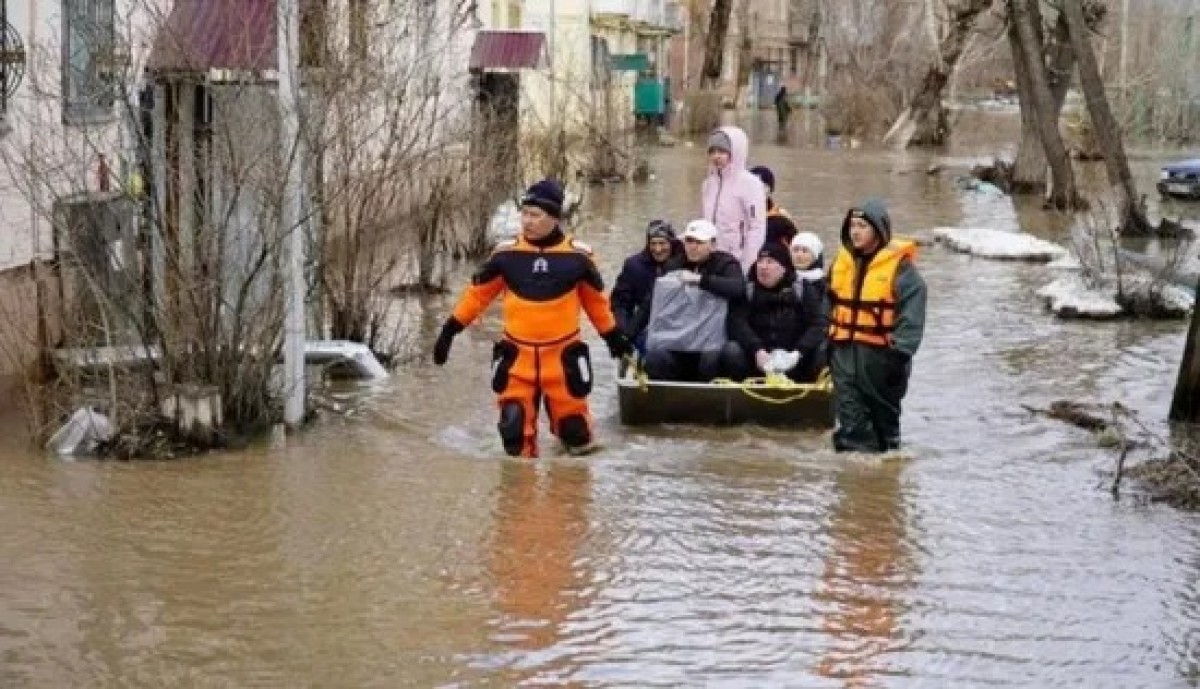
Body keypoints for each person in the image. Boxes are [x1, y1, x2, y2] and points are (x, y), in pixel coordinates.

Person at [432, 179, 634, 458]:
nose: (527, 221)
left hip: (562, 357)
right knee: (513, 431)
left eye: (535, 215)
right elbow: (477, 296)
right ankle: (518, 497)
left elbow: (596, 304)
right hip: (518, 357)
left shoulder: (579, 257)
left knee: (575, 433)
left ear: (554, 217)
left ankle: (568, 490)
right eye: (524, 214)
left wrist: (614, 337)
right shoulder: (505, 255)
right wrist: (449, 331)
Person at [826, 199, 927, 453]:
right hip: (844, 354)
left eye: (862, 226)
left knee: (885, 427)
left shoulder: (903, 271)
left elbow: (912, 316)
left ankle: (884, 477)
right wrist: (824, 340)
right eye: (852, 225)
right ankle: (855, 479)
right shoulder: (841, 263)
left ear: (879, 230)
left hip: (883, 359)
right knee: (850, 418)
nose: (855, 231)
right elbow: (825, 302)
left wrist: (901, 353)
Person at [639, 219, 745, 382]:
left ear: (712, 244)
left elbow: (737, 288)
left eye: (699, 242)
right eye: (689, 241)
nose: (693, 247)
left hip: (712, 342)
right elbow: (652, 302)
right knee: (654, 356)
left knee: (712, 357)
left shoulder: (726, 264)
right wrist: (626, 334)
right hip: (679, 341)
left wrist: (701, 280)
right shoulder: (674, 265)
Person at [728, 241, 827, 383]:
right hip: (757, 360)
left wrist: (798, 353)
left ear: (784, 268)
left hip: (794, 358)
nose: (763, 267)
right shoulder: (748, 290)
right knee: (731, 350)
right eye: (760, 261)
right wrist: (757, 350)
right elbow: (737, 322)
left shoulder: (803, 289)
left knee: (824, 348)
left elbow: (818, 324)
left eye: (770, 262)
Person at [702, 126, 767, 274]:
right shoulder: (708, 184)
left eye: (722, 151)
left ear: (735, 152)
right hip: (711, 258)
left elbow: (757, 227)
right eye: (712, 151)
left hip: (737, 259)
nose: (716, 156)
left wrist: (747, 265)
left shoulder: (750, 184)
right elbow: (706, 222)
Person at [610, 220, 681, 352]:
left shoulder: (685, 262)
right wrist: (624, 332)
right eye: (653, 244)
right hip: (644, 328)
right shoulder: (634, 266)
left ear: (671, 243)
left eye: (662, 244)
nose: (658, 249)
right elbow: (620, 304)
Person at [790, 231, 827, 302]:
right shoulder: (786, 281)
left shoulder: (823, 285)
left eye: (805, 251)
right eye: (795, 250)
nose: (799, 255)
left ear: (815, 256)